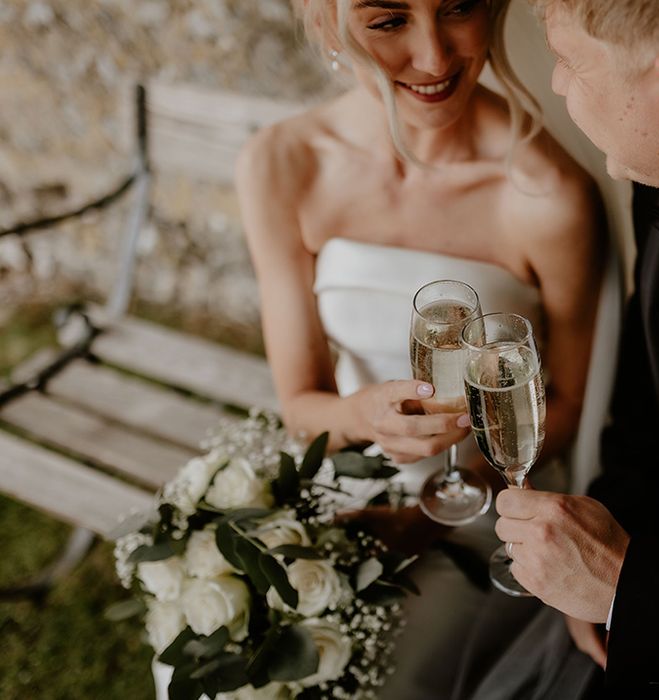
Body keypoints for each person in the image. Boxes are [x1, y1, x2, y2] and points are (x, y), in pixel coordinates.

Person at [232, 0, 611, 697]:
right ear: (326, 23)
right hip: (334, 481)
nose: (436, 58)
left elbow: (566, 406)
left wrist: (427, 517)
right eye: (388, 21)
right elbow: (299, 403)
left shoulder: (548, 194)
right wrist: (362, 417)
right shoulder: (282, 164)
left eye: (459, 8)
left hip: (486, 509)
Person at [492, 0, 659, 697]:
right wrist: (610, 550)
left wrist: (627, 591)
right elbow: (645, 419)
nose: (554, 85)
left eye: (569, 62)